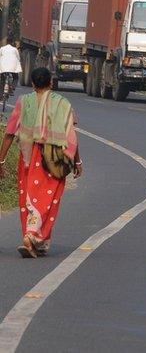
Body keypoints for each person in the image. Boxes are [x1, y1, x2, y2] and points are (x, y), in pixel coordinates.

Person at [0, 67, 81, 258]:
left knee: (29, 196)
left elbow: (10, 133)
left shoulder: (23, 102)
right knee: (48, 198)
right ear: (51, 83)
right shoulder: (62, 103)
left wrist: (2, 159)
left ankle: (37, 242)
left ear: (34, 84)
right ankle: (32, 235)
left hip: (29, 157)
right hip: (54, 158)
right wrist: (77, 162)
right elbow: (71, 136)